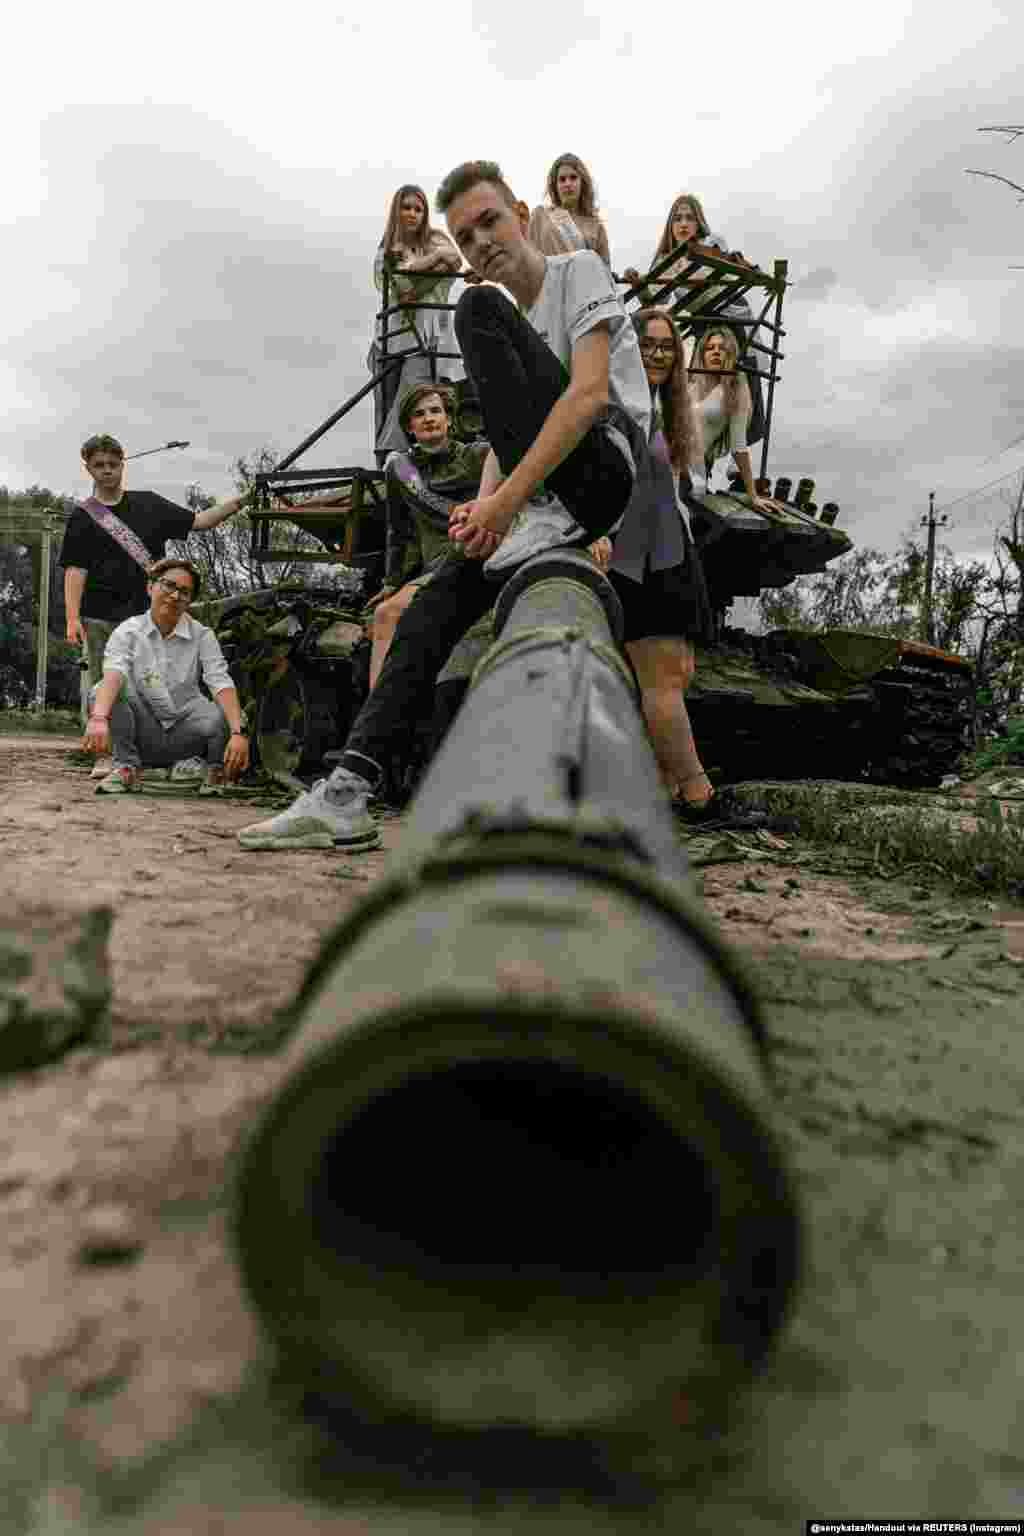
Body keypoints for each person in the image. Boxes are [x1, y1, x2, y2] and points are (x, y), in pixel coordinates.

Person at [237, 158, 649, 851]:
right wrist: (484, 512)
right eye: (464, 235)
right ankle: (348, 790)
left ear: (521, 215)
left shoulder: (576, 274)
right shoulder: (512, 324)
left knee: (474, 307)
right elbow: (504, 437)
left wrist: (508, 502)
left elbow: (584, 399)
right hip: (541, 500)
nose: (481, 240)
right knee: (429, 608)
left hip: (604, 474)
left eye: (489, 220)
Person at [61, 433, 251, 776]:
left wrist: (241, 501)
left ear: (124, 463)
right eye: (98, 465)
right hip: (101, 615)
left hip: (152, 612)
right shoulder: (83, 517)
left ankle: (158, 748)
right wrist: (72, 617)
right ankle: (108, 755)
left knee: (162, 685)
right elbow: (76, 570)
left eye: (113, 464)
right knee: (108, 686)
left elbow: (200, 522)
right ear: (87, 468)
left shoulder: (150, 504)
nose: (107, 471)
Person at [606, 308, 716, 816]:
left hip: (673, 546)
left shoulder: (669, 408)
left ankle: (661, 788)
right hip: (637, 552)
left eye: (667, 346)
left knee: (679, 672)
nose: (657, 353)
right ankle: (698, 794)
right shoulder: (616, 405)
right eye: (646, 344)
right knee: (661, 676)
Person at [81, 557, 250, 795]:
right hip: (141, 732)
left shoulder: (202, 635)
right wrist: (98, 718)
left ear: (189, 600)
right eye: (168, 585)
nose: (175, 595)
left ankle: (215, 772)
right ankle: (126, 768)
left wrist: (237, 732)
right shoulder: (128, 631)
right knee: (101, 691)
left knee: (228, 710)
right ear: (150, 587)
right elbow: (114, 673)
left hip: (186, 735)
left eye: (184, 591)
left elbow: (219, 680)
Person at [366, 381, 489, 689]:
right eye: (419, 414)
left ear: (449, 418)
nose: (429, 418)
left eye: (436, 411)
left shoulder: (479, 456)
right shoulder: (400, 468)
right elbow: (400, 530)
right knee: (385, 614)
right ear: (410, 426)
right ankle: (376, 716)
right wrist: (392, 582)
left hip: (483, 555)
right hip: (438, 568)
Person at [622, 194, 764, 440]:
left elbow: (720, 266)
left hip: (731, 314)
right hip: (704, 322)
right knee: (703, 384)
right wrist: (640, 283)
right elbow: (658, 299)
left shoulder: (711, 242)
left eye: (689, 218)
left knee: (740, 376)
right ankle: (700, 445)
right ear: (670, 225)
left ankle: (740, 445)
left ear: (699, 223)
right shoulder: (666, 260)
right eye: (678, 219)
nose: (684, 224)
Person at [371, 185, 463, 456]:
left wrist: (428, 263)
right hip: (392, 336)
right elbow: (402, 288)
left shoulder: (435, 239)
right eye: (406, 207)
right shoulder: (389, 248)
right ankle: (386, 467)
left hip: (426, 335)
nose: (412, 213)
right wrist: (437, 263)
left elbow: (455, 260)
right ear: (396, 211)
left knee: (412, 395)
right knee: (386, 404)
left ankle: (394, 455)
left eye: (418, 209)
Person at [690, 327, 772, 509]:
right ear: (702, 353)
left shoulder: (735, 386)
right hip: (660, 462)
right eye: (710, 348)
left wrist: (753, 495)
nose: (716, 352)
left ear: (731, 353)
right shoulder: (692, 384)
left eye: (722, 348)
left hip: (689, 472)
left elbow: (738, 446)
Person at [527, 153, 611, 267]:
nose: (568, 183)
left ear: (582, 182)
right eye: (562, 179)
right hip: (548, 284)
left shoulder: (596, 226)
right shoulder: (541, 215)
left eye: (573, 177)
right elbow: (527, 261)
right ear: (555, 185)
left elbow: (604, 274)